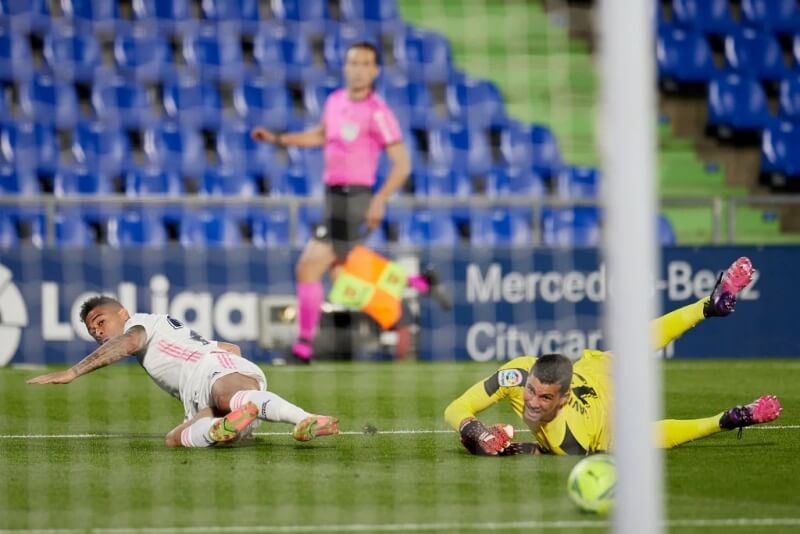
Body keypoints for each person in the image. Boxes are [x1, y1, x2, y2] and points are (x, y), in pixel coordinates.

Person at [444, 257, 783, 456]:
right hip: (602, 377)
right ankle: (730, 410)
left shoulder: (570, 441)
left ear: (562, 399)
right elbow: (456, 408)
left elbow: (543, 450)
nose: (532, 402)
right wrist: (477, 431)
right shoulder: (517, 374)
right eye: (531, 390)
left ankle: (724, 417)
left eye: (545, 398)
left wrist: (509, 450)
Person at [251, 41, 448, 364]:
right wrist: (279, 139)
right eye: (353, 62)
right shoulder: (335, 101)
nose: (357, 70)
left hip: (355, 198)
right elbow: (320, 135)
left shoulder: (378, 112)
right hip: (333, 196)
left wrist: (379, 200)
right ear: (345, 66)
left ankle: (303, 348)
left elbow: (402, 164)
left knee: (308, 267)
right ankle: (418, 284)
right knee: (342, 273)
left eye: (365, 64)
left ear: (375, 71)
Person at [27, 295, 339, 448]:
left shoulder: (139, 325)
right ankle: (226, 425)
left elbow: (127, 344)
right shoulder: (163, 329)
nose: (97, 331)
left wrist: (73, 372)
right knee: (175, 439)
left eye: (101, 321)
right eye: (91, 329)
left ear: (122, 313)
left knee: (226, 395)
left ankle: (306, 419)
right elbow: (230, 347)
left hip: (210, 370)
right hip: (201, 388)